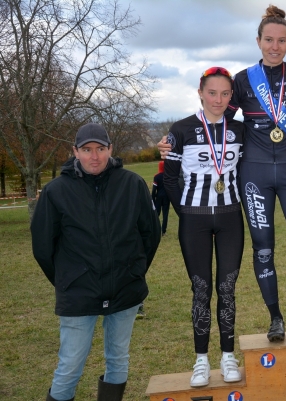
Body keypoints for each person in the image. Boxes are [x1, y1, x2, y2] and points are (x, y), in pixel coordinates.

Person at [158, 5, 286, 344]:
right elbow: (218, 121)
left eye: (282, 41)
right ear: (258, 41)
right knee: (263, 250)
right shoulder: (243, 81)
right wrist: (174, 141)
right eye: (269, 40)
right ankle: (275, 318)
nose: (275, 47)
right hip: (254, 174)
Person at [31, 123, 161, 401]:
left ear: (110, 149)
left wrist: (133, 271)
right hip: (79, 292)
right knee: (70, 365)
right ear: (74, 151)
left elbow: (150, 235)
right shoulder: (56, 191)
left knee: (118, 359)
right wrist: (70, 279)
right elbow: (43, 247)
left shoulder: (132, 184)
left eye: (100, 149)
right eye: (87, 150)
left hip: (125, 287)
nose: (94, 156)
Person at [162, 67, 246, 387]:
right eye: (212, 92)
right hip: (194, 219)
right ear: (200, 92)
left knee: (227, 288)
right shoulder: (181, 129)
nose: (218, 99)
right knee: (201, 289)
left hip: (230, 217)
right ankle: (200, 360)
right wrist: (184, 214)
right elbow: (170, 178)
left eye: (225, 94)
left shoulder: (240, 130)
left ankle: (227, 356)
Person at [152, 161, 170, 235]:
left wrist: (153, 198)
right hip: (167, 197)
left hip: (159, 197)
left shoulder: (157, 176)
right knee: (165, 214)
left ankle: (154, 229)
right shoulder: (168, 176)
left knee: (156, 214)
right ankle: (163, 231)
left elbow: (154, 190)